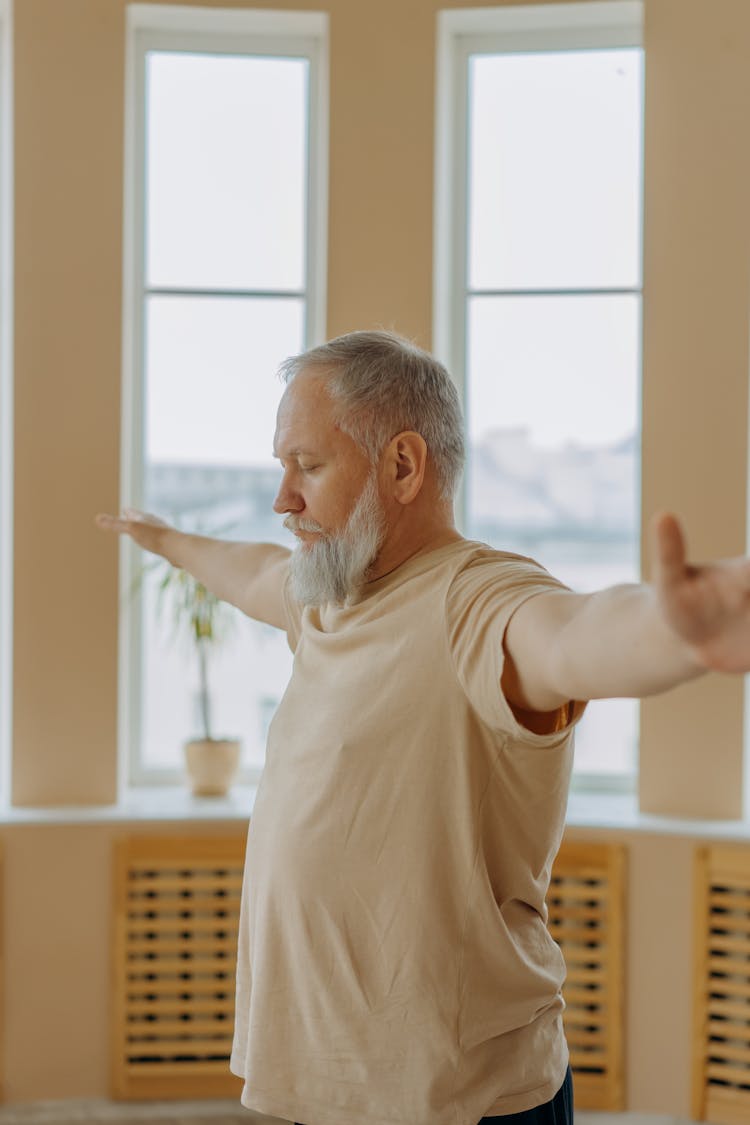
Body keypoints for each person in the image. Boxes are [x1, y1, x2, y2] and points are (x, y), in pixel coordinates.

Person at [96, 330, 750, 1125]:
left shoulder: (473, 599)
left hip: (457, 1101)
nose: (283, 499)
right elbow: (247, 570)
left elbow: (572, 636)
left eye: (307, 465)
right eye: (281, 467)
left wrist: (677, 634)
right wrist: (163, 538)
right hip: (331, 1088)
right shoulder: (327, 597)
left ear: (403, 466)